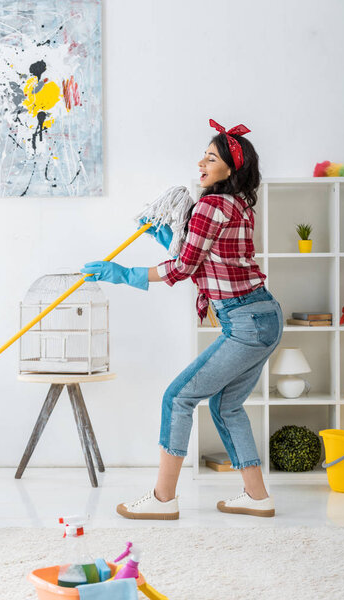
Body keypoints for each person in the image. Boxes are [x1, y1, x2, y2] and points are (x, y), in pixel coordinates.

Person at [81, 119, 284, 519]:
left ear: (230, 167)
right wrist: (166, 237)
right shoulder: (238, 204)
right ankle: (258, 497)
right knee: (227, 407)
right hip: (263, 316)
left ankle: (163, 499)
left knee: (178, 397)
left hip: (245, 322)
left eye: (211, 157)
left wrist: (121, 274)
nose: (201, 163)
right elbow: (206, 257)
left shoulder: (210, 205)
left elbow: (182, 269)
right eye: (203, 156)